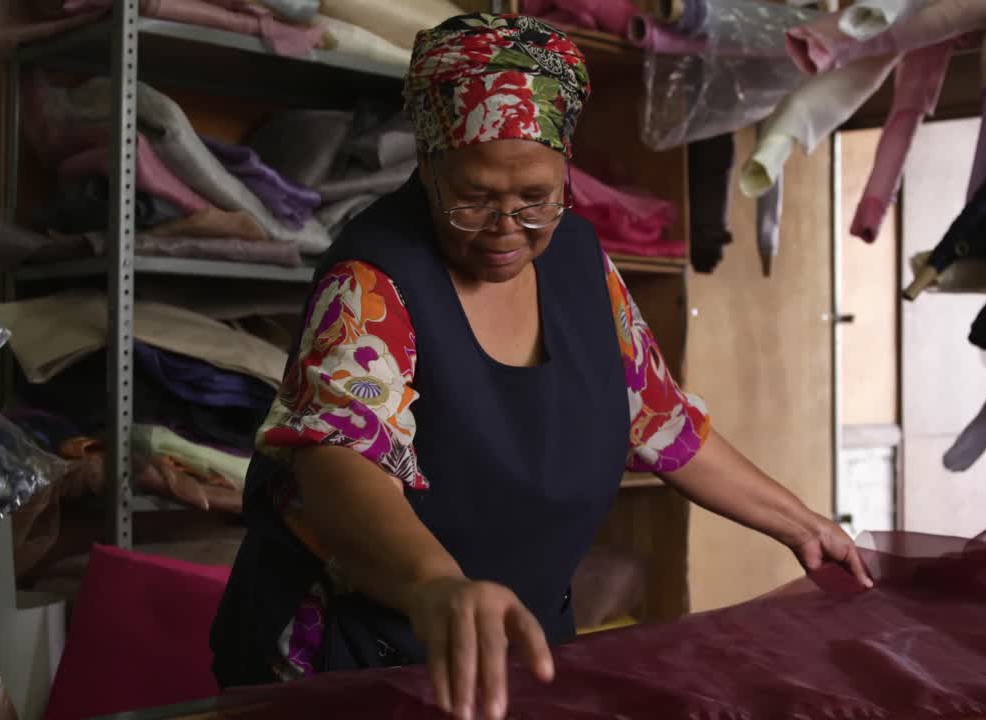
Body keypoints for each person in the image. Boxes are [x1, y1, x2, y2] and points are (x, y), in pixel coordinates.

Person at [210, 12, 871, 720]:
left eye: (536, 198)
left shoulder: (581, 263)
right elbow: (338, 463)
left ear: (565, 169)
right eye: (474, 198)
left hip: (518, 652)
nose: (506, 228)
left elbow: (661, 418)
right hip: (359, 660)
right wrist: (436, 584)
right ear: (427, 167)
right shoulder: (373, 282)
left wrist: (802, 524)